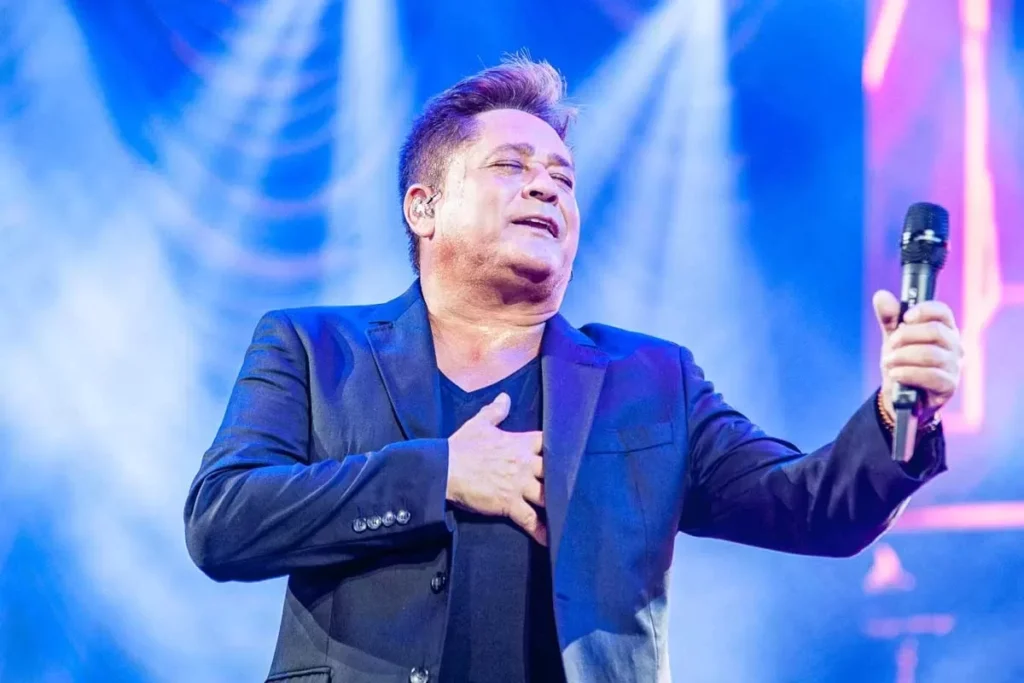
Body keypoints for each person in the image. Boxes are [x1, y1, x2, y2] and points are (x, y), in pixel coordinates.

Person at [184, 56, 963, 683]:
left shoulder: (652, 381)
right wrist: (441, 473)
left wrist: (900, 411)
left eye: (562, 179)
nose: (545, 187)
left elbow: (814, 508)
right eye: (511, 165)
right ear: (424, 207)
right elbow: (223, 520)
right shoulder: (314, 349)